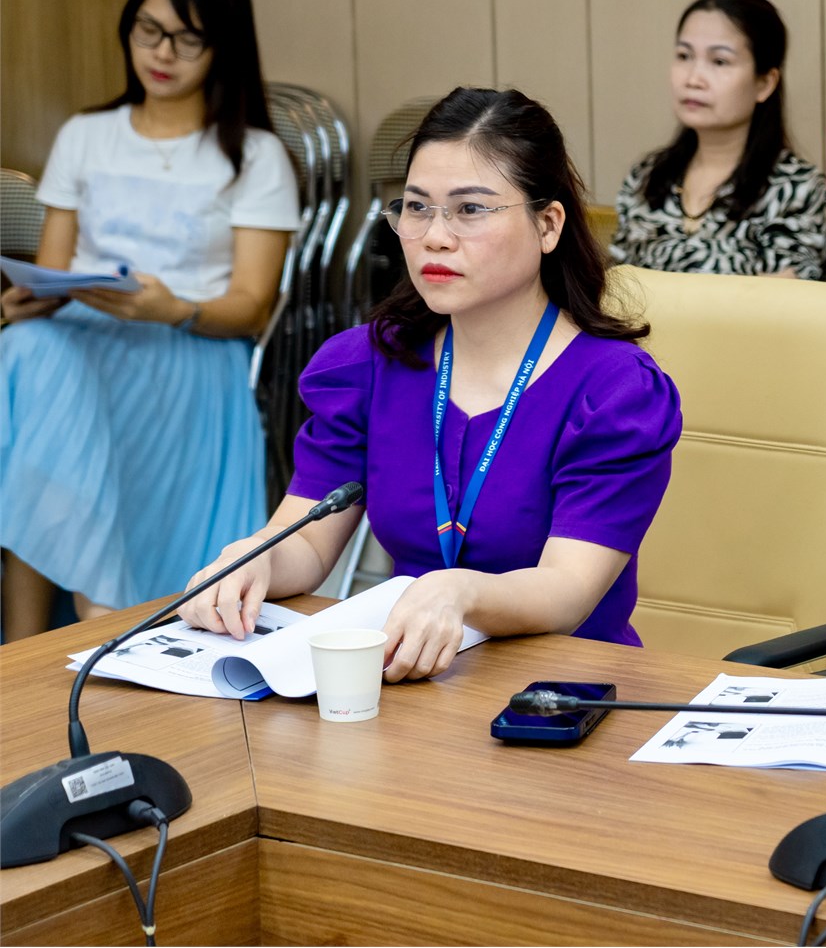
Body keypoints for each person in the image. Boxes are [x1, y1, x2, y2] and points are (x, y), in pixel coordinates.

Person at [179, 87, 683, 679]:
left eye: (470, 209)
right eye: (417, 207)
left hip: (561, 696)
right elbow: (308, 545)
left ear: (547, 225)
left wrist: (461, 591)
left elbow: (567, 591)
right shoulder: (367, 365)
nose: (435, 236)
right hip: (408, 681)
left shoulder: (614, 392)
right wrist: (254, 559)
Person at [0, 0, 300, 639]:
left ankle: (58, 627)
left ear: (222, 47)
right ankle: (58, 633)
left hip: (190, 349)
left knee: (36, 369)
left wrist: (174, 309)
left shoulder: (256, 156)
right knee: (33, 346)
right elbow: (53, 271)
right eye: (148, 29)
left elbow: (252, 305)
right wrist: (26, 300)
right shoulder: (86, 135)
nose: (161, 53)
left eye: (187, 38)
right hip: (82, 343)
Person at [610, 0, 826, 279]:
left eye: (719, 61)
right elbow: (615, 287)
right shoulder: (647, 176)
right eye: (684, 55)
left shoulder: (797, 190)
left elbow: (780, 301)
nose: (693, 79)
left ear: (765, 83)